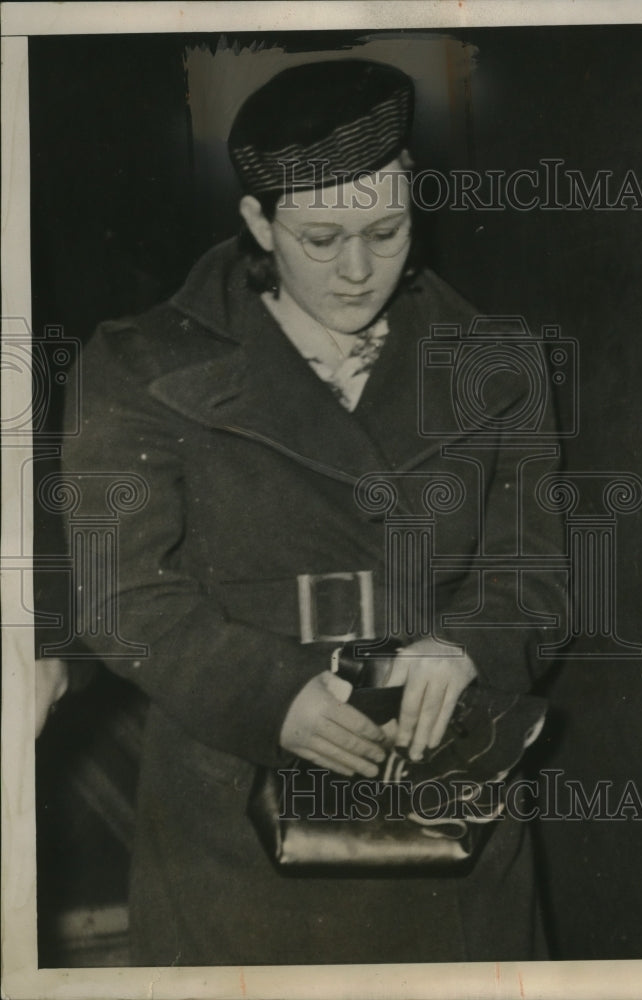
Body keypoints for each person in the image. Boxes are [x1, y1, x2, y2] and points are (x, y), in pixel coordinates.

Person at [62, 58, 565, 965]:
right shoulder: (137, 366)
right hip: (235, 817)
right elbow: (121, 595)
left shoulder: (500, 359)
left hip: (451, 801)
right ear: (258, 219)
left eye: (387, 228)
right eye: (322, 237)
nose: (360, 268)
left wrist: (469, 647)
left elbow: (536, 572)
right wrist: (271, 699)